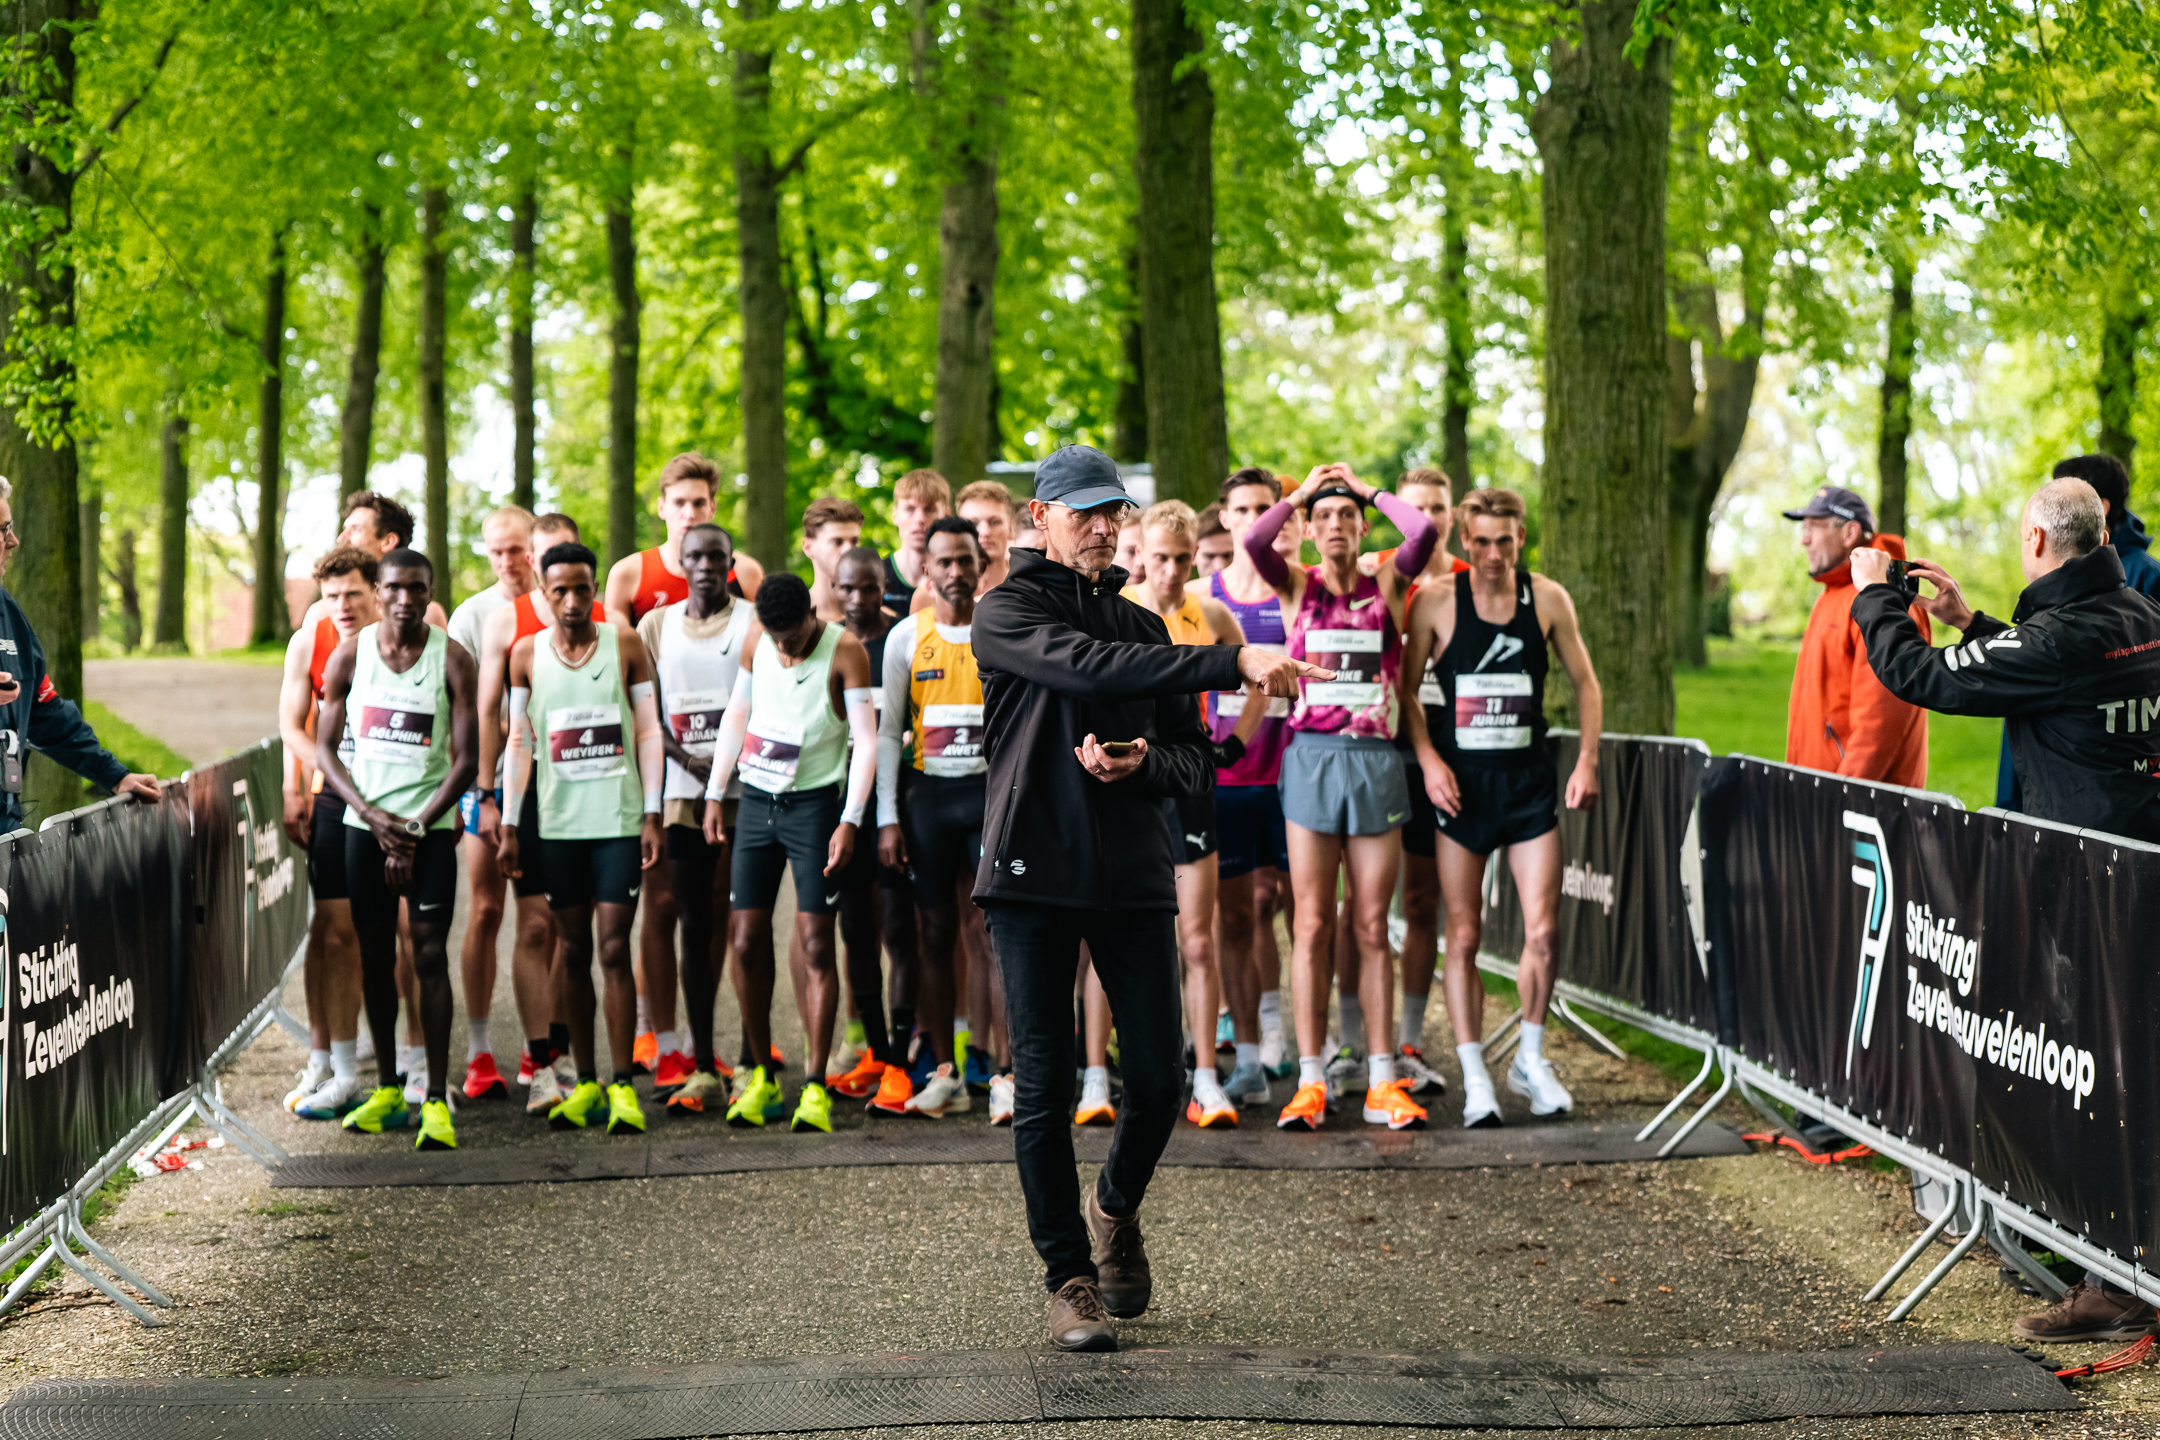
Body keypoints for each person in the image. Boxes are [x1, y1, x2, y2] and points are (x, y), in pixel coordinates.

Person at [971, 443, 1324, 1352]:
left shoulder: (1146, 627)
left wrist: (1142, 766)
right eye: (1084, 512)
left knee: (1162, 1079)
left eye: (1112, 512)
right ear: (1040, 517)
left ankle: (1115, 1207)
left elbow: (1195, 763)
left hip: (1131, 872)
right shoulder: (1004, 610)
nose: (1102, 528)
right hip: (1032, 871)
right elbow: (1089, 670)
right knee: (1045, 1084)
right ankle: (1069, 1279)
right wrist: (1231, 661)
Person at [1848, 477, 2160, 1346]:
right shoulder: (2139, 612)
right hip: (2139, 872)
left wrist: (1875, 594)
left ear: (2036, 541)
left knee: (2106, 1083)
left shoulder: (2059, 640)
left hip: (2095, 898)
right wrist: (1974, 624)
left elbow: (1918, 678)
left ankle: (2117, 1282)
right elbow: (2060, 678)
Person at [1242, 464, 1438, 1134]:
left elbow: (1424, 531)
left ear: (1360, 527)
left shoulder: (1388, 582)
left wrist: (1366, 488)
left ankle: (1382, 1077)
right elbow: (1255, 542)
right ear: (1309, 529)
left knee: (1372, 924)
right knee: (1312, 924)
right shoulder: (1296, 586)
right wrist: (1298, 495)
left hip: (1374, 760)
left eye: (1346, 516)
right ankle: (1311, 1079)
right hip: (1311, 759)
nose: (1335, 525)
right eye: (1323, 517)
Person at [1403, 487, 1603, 1127]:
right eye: (1483, 542)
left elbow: (1586, 683)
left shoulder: (1547, 599)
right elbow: (1404, 693)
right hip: (1462, 789)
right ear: (1465, 540)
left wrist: (1587, 761)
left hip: (1527, 786)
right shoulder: (1435, 601)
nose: (1494, 555)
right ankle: (1475, 1076)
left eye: (1506, 542)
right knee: (1464, 934)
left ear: (1521, 539)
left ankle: (1531, 1059)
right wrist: (1429, 761)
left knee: (1543, 929)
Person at [313, 550, 481, 1151]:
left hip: (426, 831)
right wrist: (372, 817)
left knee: (429, 955)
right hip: (366, 829)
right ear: (378, 592)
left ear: (430, 592)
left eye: (417, 588)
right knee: (375, 956)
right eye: (394, 588)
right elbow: (326, 749)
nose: (405, 599)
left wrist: (412, 827)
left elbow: (467, 760)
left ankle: (433, 1095)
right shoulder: (349, 655)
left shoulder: (453, 659)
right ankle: (386, 1088)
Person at [499, 542, 668, 1137]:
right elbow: (519, 741)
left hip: (617, 822)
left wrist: (652, 812)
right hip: (557, 826)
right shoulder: (525, 654)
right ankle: (588, 1082)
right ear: (542, 594)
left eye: (581, 589)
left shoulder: (625, 644)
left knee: (614, 948)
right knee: (571, 949)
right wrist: (510, 821)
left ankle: (622, 1085)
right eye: (559, 591)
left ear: (595, 589)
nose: (572, 601)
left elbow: (648, 731)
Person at [700, 573, 879, 1135]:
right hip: (757, 802)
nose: (786, 648)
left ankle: (816, 1083)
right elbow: (736, 714)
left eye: (794, 636)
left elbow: (867, 740)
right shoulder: (760, 637)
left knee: (816, 942)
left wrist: (850, 819)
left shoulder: (844, 650)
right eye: (776, 638)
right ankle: (760, 1075)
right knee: (746, 938)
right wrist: (714, 793)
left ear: (812, 614)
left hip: (815, 808)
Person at [1121, 501, 1267, 1128]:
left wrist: (1234, 745)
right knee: (1120, 935)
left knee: (1198, 939)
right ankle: (1116, 1074)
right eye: (1161, 558)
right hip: (1129, 782)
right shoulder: (1118, 610)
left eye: (1183, 559)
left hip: (1189, 779)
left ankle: (1205, 1078)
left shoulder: (1210, 612)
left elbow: (1258, 675)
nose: (1173, 570)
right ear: (1140, 554)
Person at [873, 518, 999, 1119]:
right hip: (927, 800)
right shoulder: (906, 637)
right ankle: (945, 1073)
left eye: (964, 560)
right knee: (935, 935)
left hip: (988, 798)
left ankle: (1005, 1072)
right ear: (925, 570)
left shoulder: (1001, 631)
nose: (954, 572)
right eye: (943, 562)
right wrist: (886, 817)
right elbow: (885, 733)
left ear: (982, 566)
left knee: (994, 935)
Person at [477, 512, 600, 1110]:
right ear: (534, 561)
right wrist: (488, 795)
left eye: (568, 554)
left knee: (576, 932)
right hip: (526, 789)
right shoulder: (509, 621)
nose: (557, 566)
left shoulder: (606, 621)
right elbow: (488, 714)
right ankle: (540, 1060)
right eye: (547, 556)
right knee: (534, 926)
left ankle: (568, 1053)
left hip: (591, 791)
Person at [637, 522, 757, 1114]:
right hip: (683, 795)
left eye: (716, 556)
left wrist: (728, 759)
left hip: (746, 793)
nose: (706, 565)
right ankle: (701, 1060)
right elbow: (646, 713)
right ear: (680, 563)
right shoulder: (655, 626)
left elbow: (768, 697)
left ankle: (753, 1058)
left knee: (743, 925)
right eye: (695, 557)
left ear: (730, 563)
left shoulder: (752, 621)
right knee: (692, 921)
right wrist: (685, 760)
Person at [1194, 470, 1300, 1091]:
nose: (1256, 518)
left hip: (1294, 775)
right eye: (1243, 508)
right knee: (1236, 916)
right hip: (1227, 778)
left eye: (1268, 507)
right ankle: (1253, 1055)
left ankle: (1315, 1048)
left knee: (1305, 917)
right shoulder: (1200, 596)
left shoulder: (1300, 594)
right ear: (1226, 517)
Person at [1994, 454, 2158, 810]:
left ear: (2100, 506)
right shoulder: (2050, 570)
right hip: (2035, 750)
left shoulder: (2146, 577)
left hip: (2099, 787)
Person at [278, 547, 380, 1118]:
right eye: (332, 595)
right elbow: (290, 725)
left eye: (353, 594)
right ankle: (342, 1071)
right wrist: (326, 773)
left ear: (376, 592)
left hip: (399, 799)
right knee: (338, 933)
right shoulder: (309, 641)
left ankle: (418, 1071)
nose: (342, 606)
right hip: (336, 798)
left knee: (408, 937)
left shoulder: (410, 639)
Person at [0, 476, 159, 833]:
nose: (14, 541)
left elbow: (46, 713)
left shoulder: (10, 616)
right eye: (3, 530)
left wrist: (114, 775)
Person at [446, 506, 540, 1101]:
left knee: (541, 919)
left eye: (517, 549)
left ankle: (538, 1047)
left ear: (535, 547)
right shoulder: (472, 615)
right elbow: (459, 708)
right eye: (497, 552)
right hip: (488, 783)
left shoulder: (558, 605)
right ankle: (479, 1052)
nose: (508, 561)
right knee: (484, 911)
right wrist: (477, 792)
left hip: (547, 785)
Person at [826, 545, 922, 1106]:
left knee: (900, 929)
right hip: (841, 809)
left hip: (898, 803)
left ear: (884, 588)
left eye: (869, 588)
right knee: (855, 930)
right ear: (833, 590)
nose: (858, 599)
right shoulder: (828, 644)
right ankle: (878, 1053)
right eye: (848, 589)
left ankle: (903, 1057)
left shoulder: (900, 639)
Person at [1385, 469, 1471, 1097]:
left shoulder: (1475, 579)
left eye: (1438, 507)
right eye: (1416, 508)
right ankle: (1350, 1045)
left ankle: (1410, 1043)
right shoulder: (1379, 573)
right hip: (1376, 752)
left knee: (1422, 905)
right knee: (1357, 910)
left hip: (1446, 758)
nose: (1429, 519)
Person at [1782, 485, 1930, 787]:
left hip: (1857, 802)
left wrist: (1842, 796)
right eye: (1803, 528)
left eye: (1813, 527)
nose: (1803, 539)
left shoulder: (1882, 598)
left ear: (1850, 532)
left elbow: (1881, 721)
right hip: (1816, 793)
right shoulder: (1832, 594)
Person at [913, 481, 1017, 608]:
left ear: (1011, 528)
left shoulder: (1025, 589)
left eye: (994, 522)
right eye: (972, 524)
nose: (984, 532)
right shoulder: (928, 595)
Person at [883, 469, 951, 611]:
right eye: (910, 509)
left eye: (929, 509)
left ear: (946, 515)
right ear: (895, 515)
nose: (919, 519)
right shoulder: (874, 576)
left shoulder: (956, 577)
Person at [801, 495, 866, 621]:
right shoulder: (791, 622)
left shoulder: (880, 620)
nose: (848, 550)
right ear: (808, 547)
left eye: (854, 541)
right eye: (837, 542)